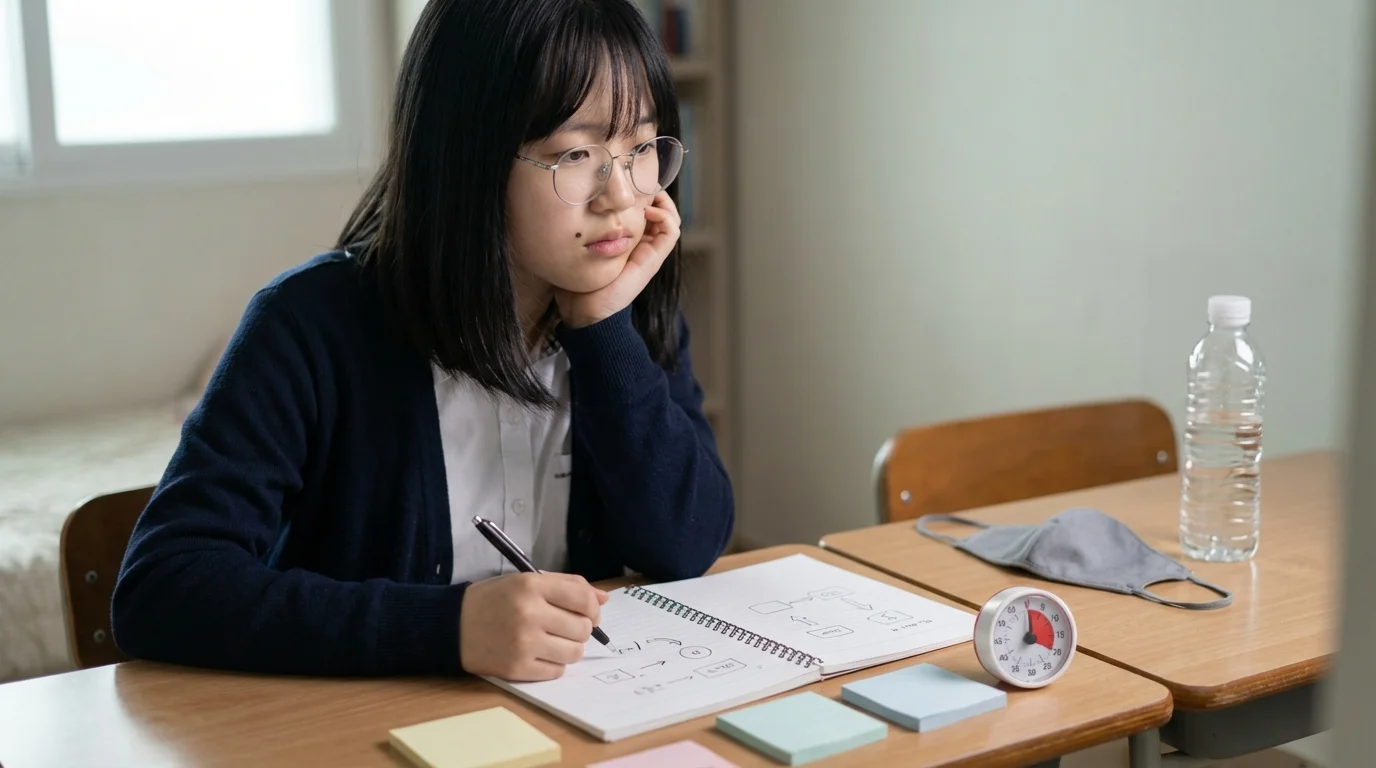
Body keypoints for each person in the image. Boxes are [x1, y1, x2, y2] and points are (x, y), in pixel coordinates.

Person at [111, 0, 733, 683]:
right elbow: (162, 588)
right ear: (467, 157)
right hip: (363, 724)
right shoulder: (309, 325)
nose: (620, 198)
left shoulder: (624, 309)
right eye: (575, 154)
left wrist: (604, 333)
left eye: (641, 149)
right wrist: (448, 627)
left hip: (575, 713)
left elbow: (688, 545)